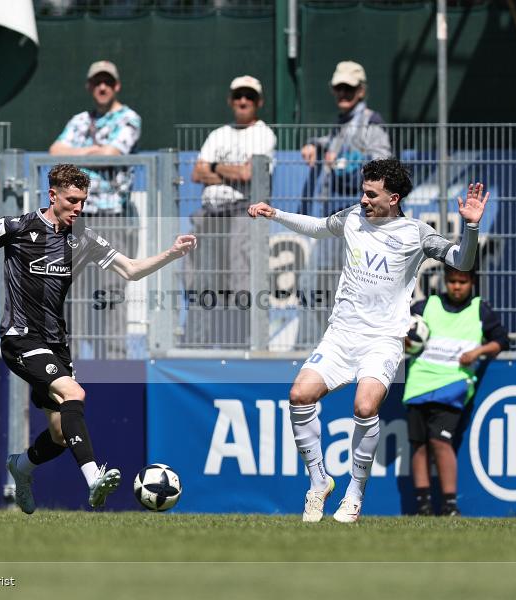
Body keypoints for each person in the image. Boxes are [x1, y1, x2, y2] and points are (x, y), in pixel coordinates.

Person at [0, 164, 196, 513]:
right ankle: (94, 477)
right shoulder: (18, 227)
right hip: (19, 337)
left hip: (55, 343)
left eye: (83, 201)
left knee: (60, 435)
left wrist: (171, 254)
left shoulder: (83, 236)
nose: (78, 208)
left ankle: (21, 467)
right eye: (72, 200)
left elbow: (130, 270)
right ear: (53, 196)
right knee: (74, 393)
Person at [247, 158, 489, 523]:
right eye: (363, 191)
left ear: (393, 198)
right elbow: (317, 228)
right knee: (299, 395)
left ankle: (354, 495)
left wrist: (470, 226)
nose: (363, 199)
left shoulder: (416, 233)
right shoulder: (353, 217)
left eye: (371, 194)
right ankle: (319, 483)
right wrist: (275, 214)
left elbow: (462, 260)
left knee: (364, 406)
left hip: (382, 339)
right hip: (341, 335)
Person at [50, 60, 142, 359]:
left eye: (108, 82)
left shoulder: (129, 118)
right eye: (96, 82)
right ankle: (71, 359)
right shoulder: (80, 119)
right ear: (90, 86)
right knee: (74, 290)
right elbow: (55, 151)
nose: (102, 87)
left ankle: (114, 360)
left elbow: (114, 153)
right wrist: (92, 153)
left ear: (116, 86)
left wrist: (80, 156)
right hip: (80, 219)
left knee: (111, 292)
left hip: (114, 217)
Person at [298, 61, 392, 345]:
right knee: (315, 286)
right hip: (337, 219)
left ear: (361, 91)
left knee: (352, 288)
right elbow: (333, 142)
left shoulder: (371, 121)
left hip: (360, 221)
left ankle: (345, 345)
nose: (343, 93)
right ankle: (327, 345)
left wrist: (345, 162)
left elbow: (383, 161)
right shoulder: (343, 122)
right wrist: (317, 144)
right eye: (339, 87)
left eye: (349, 88)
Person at [404, 266, 509, 517]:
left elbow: (502, 340)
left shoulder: (480, 310)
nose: (457, 287)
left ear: (471, 282)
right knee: (418, 445)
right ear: (445, 281)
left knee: (440, 442)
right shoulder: (425, 306)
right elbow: (402, 329)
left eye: (462, 282)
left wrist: (477, 352)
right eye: (452, 281)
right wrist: (404, 341)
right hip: (419, 383)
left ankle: (450, 504)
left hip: (453, 386)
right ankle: (423, 504)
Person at [186, 75, 276, 346]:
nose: (243, 101)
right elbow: (195, 172)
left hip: (242, 214)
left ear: (259, 102)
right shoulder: (219, 133)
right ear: (230, 100)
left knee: (240, 281)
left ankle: (239, 344)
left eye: (249, 96)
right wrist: (228, 172)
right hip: (211, 213)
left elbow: (249, 173)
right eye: (238, 96)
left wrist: (213, 168)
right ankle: (205, 344)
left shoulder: (264, 134)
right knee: (204, 280)